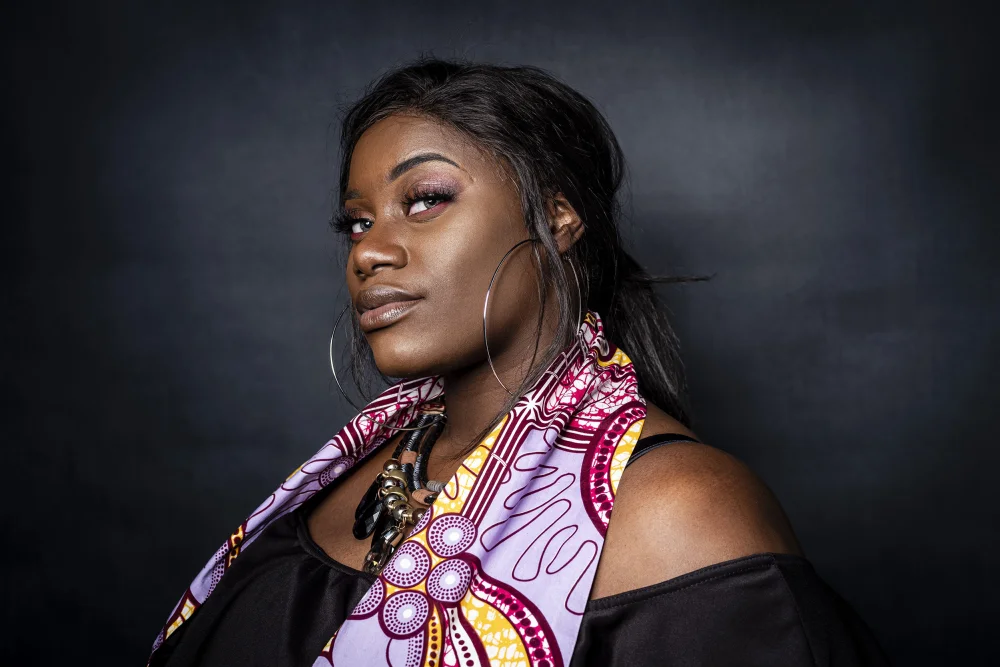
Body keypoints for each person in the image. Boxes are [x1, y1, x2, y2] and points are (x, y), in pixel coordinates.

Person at [148, 58, 890, 666]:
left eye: (426, 199)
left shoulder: (680, 510)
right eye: (357, 221)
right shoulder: (349, 472)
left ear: (559, 217)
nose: (369, 251)